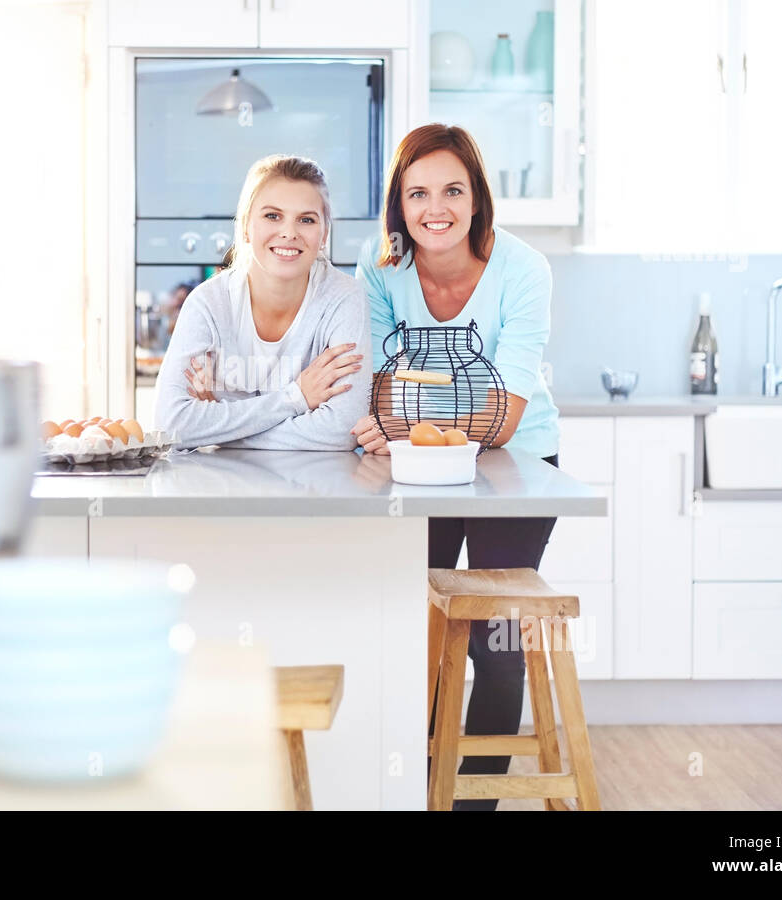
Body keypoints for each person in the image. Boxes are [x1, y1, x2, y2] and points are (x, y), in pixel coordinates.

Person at [350, 123, 561, 811]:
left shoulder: (524, 270)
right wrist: (405, 426)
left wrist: (407, 426)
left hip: (518, 463)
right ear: (398, 206)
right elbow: (378, 390)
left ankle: (474, 806)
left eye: (451, 190)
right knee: (421, 632)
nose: (434, 207)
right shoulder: (378, 268)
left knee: (494, 641)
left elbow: (506, 416)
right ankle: (418, 791)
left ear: (476, 200)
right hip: (420, 468)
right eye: (417, 193)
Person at [154, 154, 372, 450]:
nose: (289, 233)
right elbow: (172, 425)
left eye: (306, 220)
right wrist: (295, 398)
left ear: (324, 234)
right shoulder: (208, 303)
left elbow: (342, 429)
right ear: (245, 225)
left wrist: (220, 429)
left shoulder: (344, 297)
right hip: (220, 486)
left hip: (315, 487)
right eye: (272, 216)